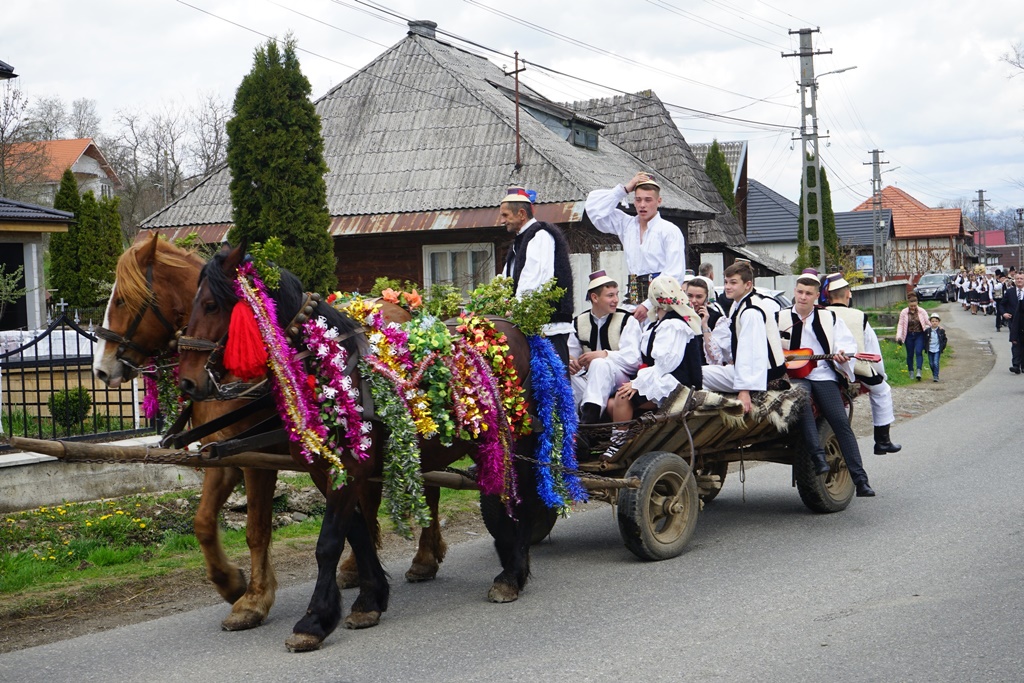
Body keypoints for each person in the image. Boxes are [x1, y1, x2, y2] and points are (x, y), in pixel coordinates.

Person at [778, 272, 875, 497]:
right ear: (794, 292)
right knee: (802, 401)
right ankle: (818, 458)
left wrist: (842, 354)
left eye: (808, 294)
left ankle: (861, 479)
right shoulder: (779, 317)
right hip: (795, 375)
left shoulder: (829, 317)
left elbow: (845, 343)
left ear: (816, 296)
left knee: (840, 422)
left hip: (823, 373)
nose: (803, 297)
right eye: (800, 292)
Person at [603, 275, 703, 458]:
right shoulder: (658, 324)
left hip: (676, 383)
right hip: (661, 377)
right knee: (611, 403)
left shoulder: (673, 325)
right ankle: (635, 439)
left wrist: (637, 383)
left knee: (622, 397)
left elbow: (665, 365)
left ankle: (618, 446)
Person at [585, 172, 686, 323]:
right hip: (632, 301)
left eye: (648, 200)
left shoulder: (669, 231)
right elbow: (594, 210)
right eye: (638, 200)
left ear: (659, 201)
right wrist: (624, 189)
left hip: (662, 304)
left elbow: (674, 274)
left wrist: (647, 304)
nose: (642, 205)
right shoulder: (627, 225)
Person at [826, 274, 902, 455]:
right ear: (848, 294)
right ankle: (882, 441)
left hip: (824, 367)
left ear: (829, 296)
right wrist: (881, 374)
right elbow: (873, 350)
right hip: (855, 367)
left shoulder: (820, 313)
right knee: (882, 390)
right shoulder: (858, 316)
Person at [498, 186, 575, 365]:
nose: (502, 221)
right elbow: (504, 282)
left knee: (553, 387)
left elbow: (535, 281)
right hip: (529, 326)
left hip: (548, 328)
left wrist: (514, 310)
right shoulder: (520, 242)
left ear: (522, 214)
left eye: (505, 215)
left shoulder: (540, 236)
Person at [701, 261, 787, 414]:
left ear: (748, 285)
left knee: (698, 374)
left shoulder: (750, 311)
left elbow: (751, 351)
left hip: (764, 373)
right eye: (726, 282)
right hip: (760, 370)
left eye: (733, 283)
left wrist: (744, 390)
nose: (727, 286)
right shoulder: (741, 303)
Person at [568, 271, 642, 424]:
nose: (616, 300)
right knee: (565, 374)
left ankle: (590, 421)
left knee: (600, 364)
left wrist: (604, 354)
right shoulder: (578, 322)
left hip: (619, 378)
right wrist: (571, 362)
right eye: (610, 295)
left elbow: (633, 360)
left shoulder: (627, 320)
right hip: (588, 379)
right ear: (595, 298)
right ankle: (572, 425)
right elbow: (571, 354)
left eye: (616, 294)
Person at [684, 277, 723, 365]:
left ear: (706, 298)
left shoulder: (716, 318)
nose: (693, 301)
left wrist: (705, 325)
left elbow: (715, 357)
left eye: (699, 297)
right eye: (690, 296)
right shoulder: (679, 315)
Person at [895, 294, 929, 381]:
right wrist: (899, 336)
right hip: (909, 335)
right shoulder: (904, 312)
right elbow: (901, 324)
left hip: (919, 334)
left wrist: (936, 326)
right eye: (911, 306)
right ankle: (911, 372)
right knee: (910, 354)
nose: (913, 307)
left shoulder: (922, 311)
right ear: (908, 304)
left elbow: (927, 321)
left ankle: (919, 371)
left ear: (917, 303)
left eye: (914, 306)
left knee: (918, 352)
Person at [1000, 271, 1024, 374]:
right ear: (1014, 280)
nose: (1019, 280)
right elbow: (1001, 305)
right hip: (1014, 321)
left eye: (1021, 279)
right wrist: (1004, 313)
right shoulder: (1010, 292)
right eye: (1017, 279)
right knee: (1015, 342)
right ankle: (1016, 365)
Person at [924, 313, 947, 382]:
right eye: (933, 321)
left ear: (938, 322)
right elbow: (924, 339)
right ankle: (934, 373)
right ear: (930, 322)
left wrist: (942, 347)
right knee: (931, 363)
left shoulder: (941, 331)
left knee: (935, 362)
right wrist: (925, 347)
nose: (934, 323)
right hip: (930, 349)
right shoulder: (927, 331)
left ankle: (936, 376)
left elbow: (944, 339)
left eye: (936, 321)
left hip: (937, 349)